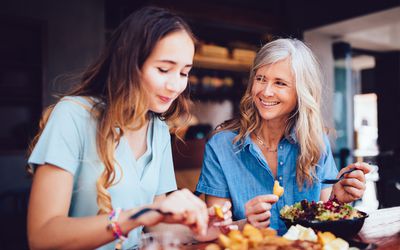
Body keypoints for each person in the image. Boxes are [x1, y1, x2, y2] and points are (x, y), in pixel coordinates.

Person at [27, 6, 232, 250]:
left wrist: (200, 229)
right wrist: (139, 214)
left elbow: (156, 225)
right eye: (163, 69)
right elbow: (42, 236)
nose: (175, 85)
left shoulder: (158, 130)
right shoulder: (72, 115)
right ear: (129, 62)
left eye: (184, 72)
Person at [195, 38, 371, 235]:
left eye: (280, 83)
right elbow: (212, 230)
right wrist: (246, 224)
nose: (266, 91)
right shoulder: (221, 146)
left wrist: (337, 201)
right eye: (260, 78)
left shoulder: (316, 142)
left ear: (301, 92)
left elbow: (323, 223)